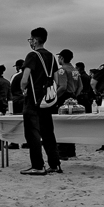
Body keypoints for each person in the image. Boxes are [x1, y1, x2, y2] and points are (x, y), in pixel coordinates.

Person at [19, 27, 61, 175]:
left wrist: (23, 89)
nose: (30, 42)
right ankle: (55, 164)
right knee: (48, 132)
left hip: (33, 99)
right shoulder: (51, 56)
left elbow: (25, 78)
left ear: (35, 40)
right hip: (47, 100)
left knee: (32, 134)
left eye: (31, 39)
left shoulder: (32, 55)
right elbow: (57, 79)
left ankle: (37, 165)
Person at [55, 49, 79, 160]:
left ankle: (62, 153)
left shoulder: (62, 70)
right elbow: (81, 87)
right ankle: (71, 152)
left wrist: (54, 97)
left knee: (61, 125)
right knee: (71, 125)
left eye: (59, 57)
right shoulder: (75, 70)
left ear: (62, 58)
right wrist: (74, 95)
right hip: (73, 97)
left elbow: (63, 86)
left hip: (63, 98)